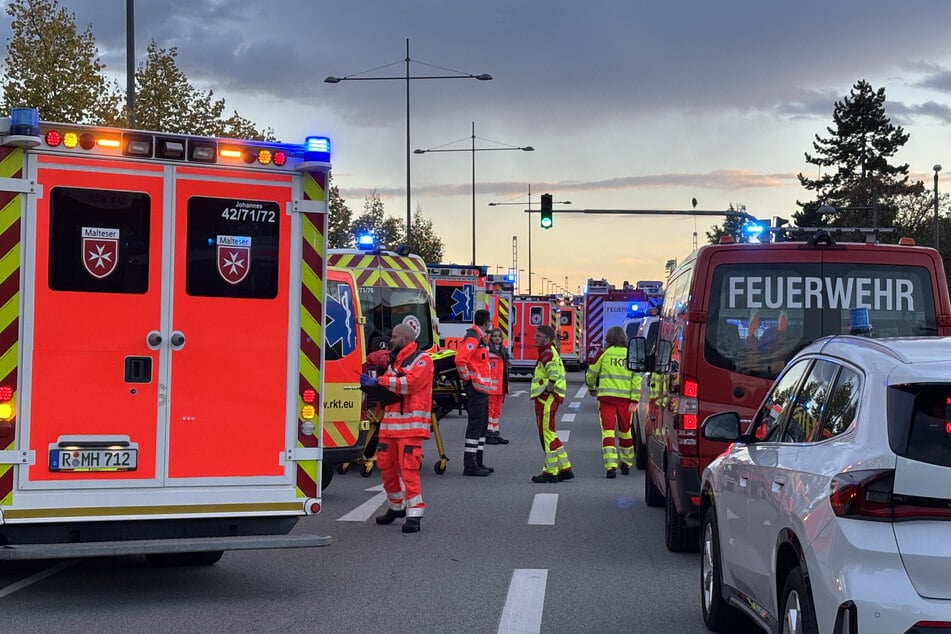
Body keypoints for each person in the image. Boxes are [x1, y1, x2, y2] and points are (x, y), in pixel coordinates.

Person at [360, 323, 434, 533]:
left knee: (409, 471)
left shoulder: (423, 360)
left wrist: (379, 381)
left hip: (410, 428)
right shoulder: (396, 362)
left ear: (405, 339)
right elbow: (394, 384)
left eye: (394, 337)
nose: (390, 340)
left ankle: (415, 514)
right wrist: (372, 382)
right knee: (386, 467)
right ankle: (396, 506)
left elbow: (409, 384)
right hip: (390, 427)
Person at [585, 325, 641, 478]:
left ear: (608, 339)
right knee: (625, 432)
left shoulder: (603, 353)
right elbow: (637, 378)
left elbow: (591, 373)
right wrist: (635, 399)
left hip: (606, 399)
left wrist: (591, 387)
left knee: (608, 432)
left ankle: (610, 466)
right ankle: (626, 463)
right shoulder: (631, 354)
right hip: (626, 401)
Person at [530, 325, 574, 483]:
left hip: (547, 398)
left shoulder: (547, 353)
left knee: (547, 435)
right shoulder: (548, 351)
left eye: (539, 336)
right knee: (551, 434)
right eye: (536, 335)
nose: (535, 338)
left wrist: (547, 392)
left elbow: (553, 376)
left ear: (547, 339)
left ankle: (550, 472)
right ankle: (564, 468)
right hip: (549, 397)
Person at [454, 309, 494, 476]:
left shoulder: (481, 338)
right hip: (475, 389)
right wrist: (467, 380)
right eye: (490, 321)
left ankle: (478, 460)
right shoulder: (473, 337)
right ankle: (470, 465)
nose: (491, 324)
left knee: (482, 427)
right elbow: (460, 360)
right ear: (486, 322)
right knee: (475, 426)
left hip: (481, 389)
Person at [485, 327, 511, 445]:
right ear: (491, 338)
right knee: (490, 411)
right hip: (491, 387)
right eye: (495, 336)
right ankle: (488, 433)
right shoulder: (488, 351)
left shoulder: (503, 351)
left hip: (501, 387)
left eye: (499, 336)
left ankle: (496, 433)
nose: (497, 338)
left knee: (497, 412)